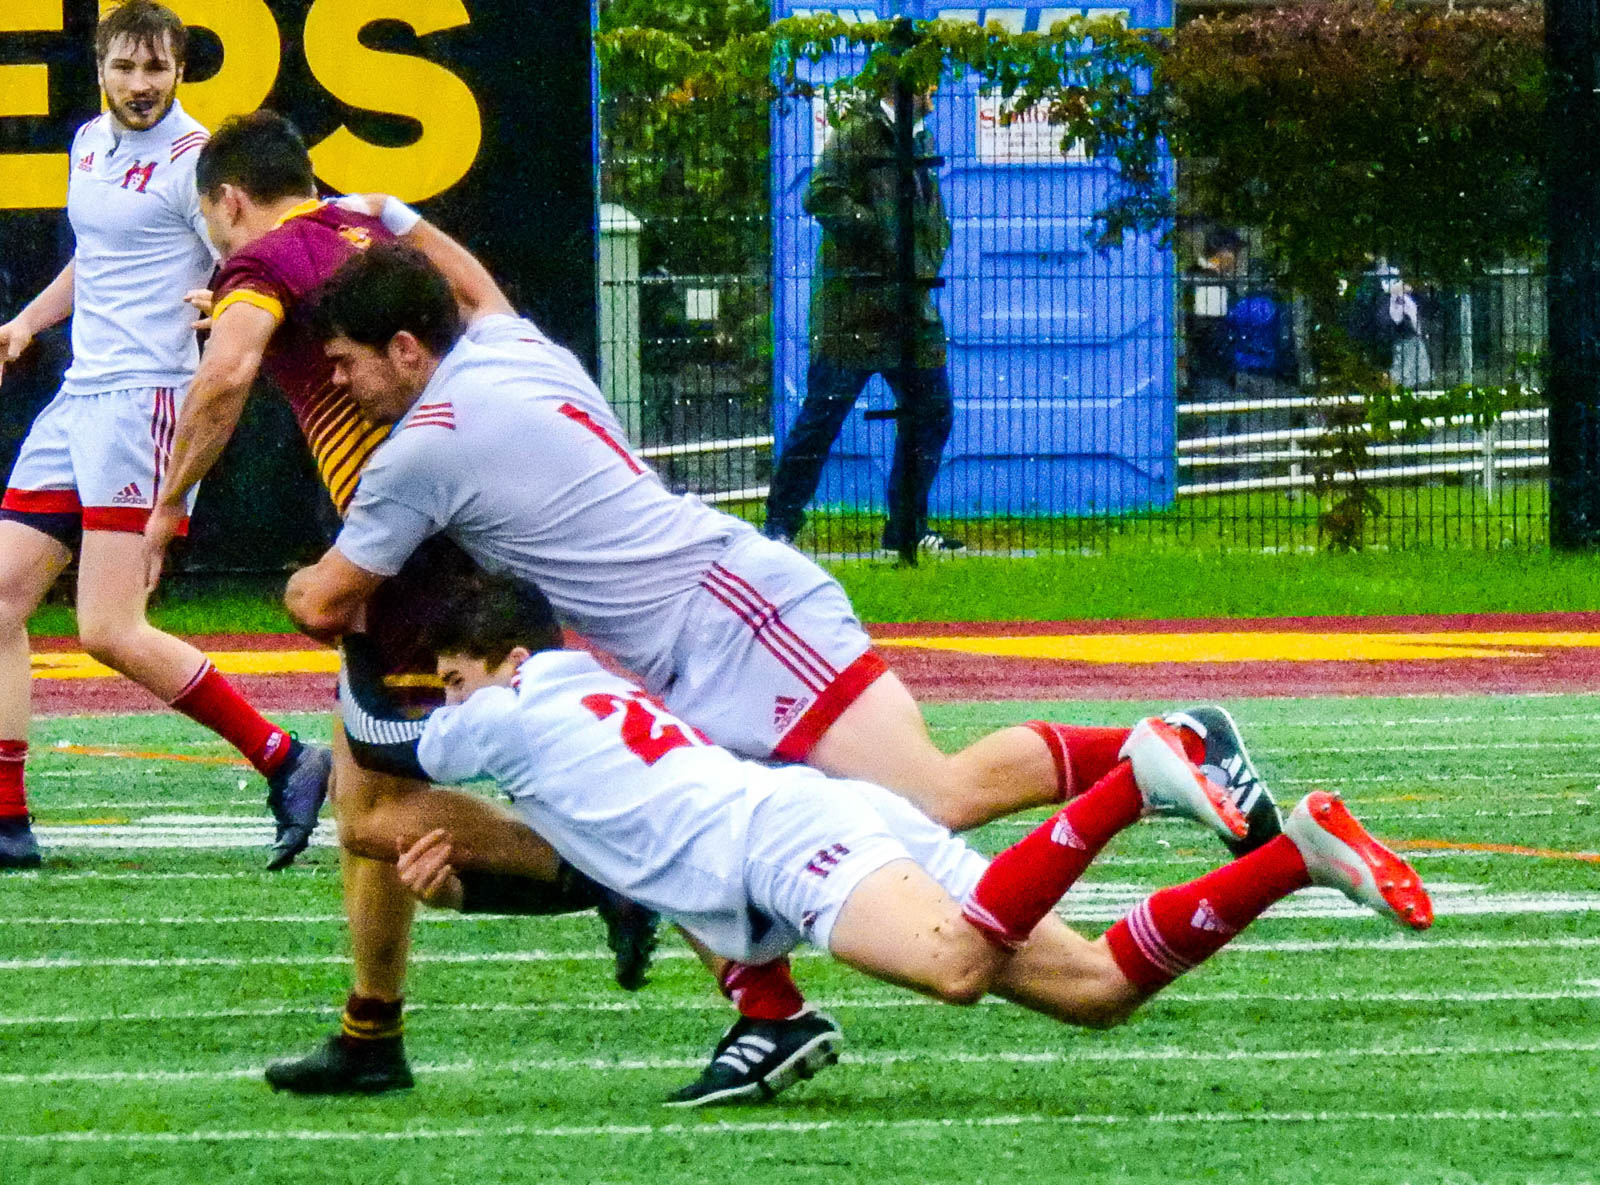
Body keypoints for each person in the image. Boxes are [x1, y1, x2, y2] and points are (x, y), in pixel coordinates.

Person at [280, 241, 1287, 1102]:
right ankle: (770, 1016)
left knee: (934, 795)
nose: (337, 385)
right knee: (663, 827)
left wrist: (281, 578)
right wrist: (396, 221)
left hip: (734, 618)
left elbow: (323, 602)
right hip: (679, 647)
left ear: (407, 349)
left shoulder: (417, 453)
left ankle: (1163, 745)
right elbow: (472, 282)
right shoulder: (505, 344)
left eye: (347, 364)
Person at [341, 572, 1432, 1108]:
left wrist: (325, 664)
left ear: (507, 660)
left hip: (790, 843)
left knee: (958, 968)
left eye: (455, 676)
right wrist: (471, 884)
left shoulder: (513, 702)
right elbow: (612, 863)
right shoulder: (584, 703)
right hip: (799, 825)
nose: (450, 700)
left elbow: (383, 748)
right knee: (1096, 989)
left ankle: (1138, 776)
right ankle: (1296, 854)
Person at [132, 112, 657, 1093]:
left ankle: (598, 871)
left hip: (411, 556)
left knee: (371, 814)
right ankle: (371, 1030)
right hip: (445, 523)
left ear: (230, 201)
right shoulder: (358, 227)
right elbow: (471, 293)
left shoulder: (264, 259)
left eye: (215, 227)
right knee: (367, 795)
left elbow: (227, 373)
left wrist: (168, 510)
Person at [0, 1, 329, 871]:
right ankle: (6, 820)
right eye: (125, 69)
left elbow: (244, 254)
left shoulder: (196, 164)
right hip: (79, 396)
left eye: (156, 69)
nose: (140, 86)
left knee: (108, 628)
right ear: (100, 69)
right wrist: (26, 324)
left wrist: (222, 301)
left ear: (180, 70)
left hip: (145, 401)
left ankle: (285, 757)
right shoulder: (87, 143)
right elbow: (96, 256)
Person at [764, 90, 962, 556]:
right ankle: (779, 526)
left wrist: (930, 248)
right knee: (822, 418)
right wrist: (876, 227)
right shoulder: (856, 135)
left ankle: (906, 530)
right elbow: (820, 194)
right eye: (927, 84)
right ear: (905, 89)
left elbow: (927, 216)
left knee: (932, 413)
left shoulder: (917, 139)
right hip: (852, 309)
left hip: (910, 309)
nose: (934, 93)